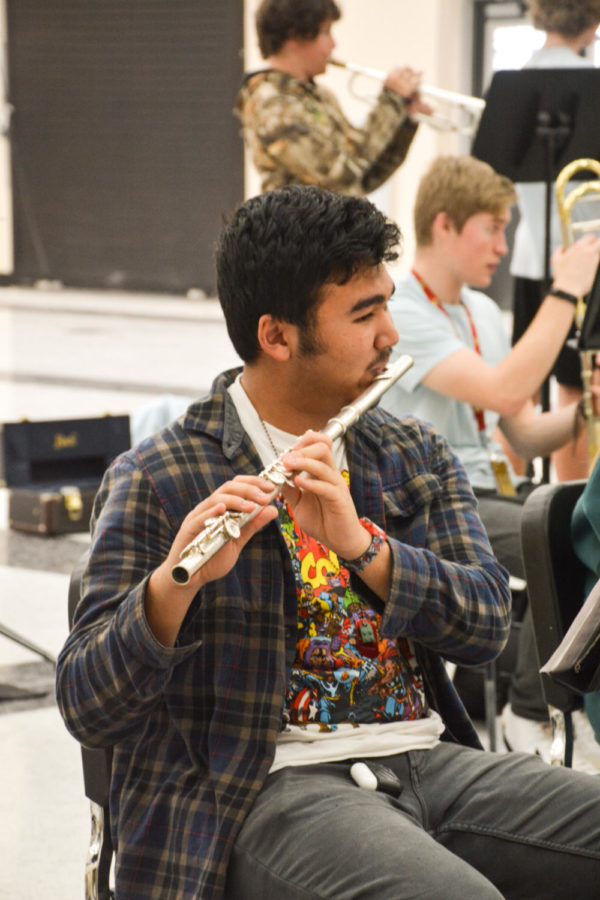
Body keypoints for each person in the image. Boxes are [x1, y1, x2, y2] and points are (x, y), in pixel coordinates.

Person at [56, 184, 600, 900]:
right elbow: (87, 703)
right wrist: (174, 586)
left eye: (388, 305)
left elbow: (487, 627)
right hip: (265, 785)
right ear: (277, 336)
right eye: (365, 314)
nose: (391, 335)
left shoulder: (412, 451)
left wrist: (365, 550)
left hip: (427, 759)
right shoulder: (161, 474)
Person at [382, 155, 600, 768]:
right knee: (559, 538)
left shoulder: (479, 311)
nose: (505, 246)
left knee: (583, 516)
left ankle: (552, 708)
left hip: (487, 489)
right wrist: (565, 292)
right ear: (445, 225)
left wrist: (588, 413)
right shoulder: (404, 311)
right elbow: (506, 391)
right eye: (493, 228)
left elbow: (524, 434)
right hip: (426, 499)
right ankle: (530, 715)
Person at [509, 0, 600, 481]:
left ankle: (515, 494)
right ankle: (567, 511)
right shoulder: (591, 85)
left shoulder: (514, 83)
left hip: (528, 253)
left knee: (518, 388)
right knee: (576, 388)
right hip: (584, 255)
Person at [236, 0, 431, 196]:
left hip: (343, 224)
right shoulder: (271, 104)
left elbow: (365, 177)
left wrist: (405, 121)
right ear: (294, 36)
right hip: (302, 226)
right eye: (325, 32)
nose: (333, 44)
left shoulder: (320, 96)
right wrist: (390, 101)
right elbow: (341, 173)